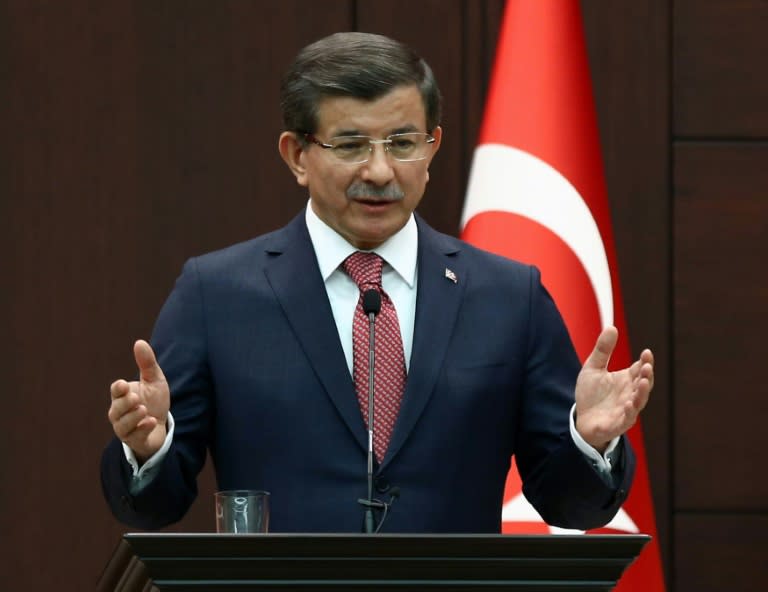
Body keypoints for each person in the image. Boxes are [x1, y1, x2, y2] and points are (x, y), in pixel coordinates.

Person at [101, 32, 654, 533]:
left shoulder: (510, 297)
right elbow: (155, 507)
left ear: (433, 147)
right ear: (297, 155)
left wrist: (591, 439)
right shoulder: (215, 294)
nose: (380, 171)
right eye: (350, 145)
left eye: (402, 142)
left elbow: (572, 506)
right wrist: (148, 453)